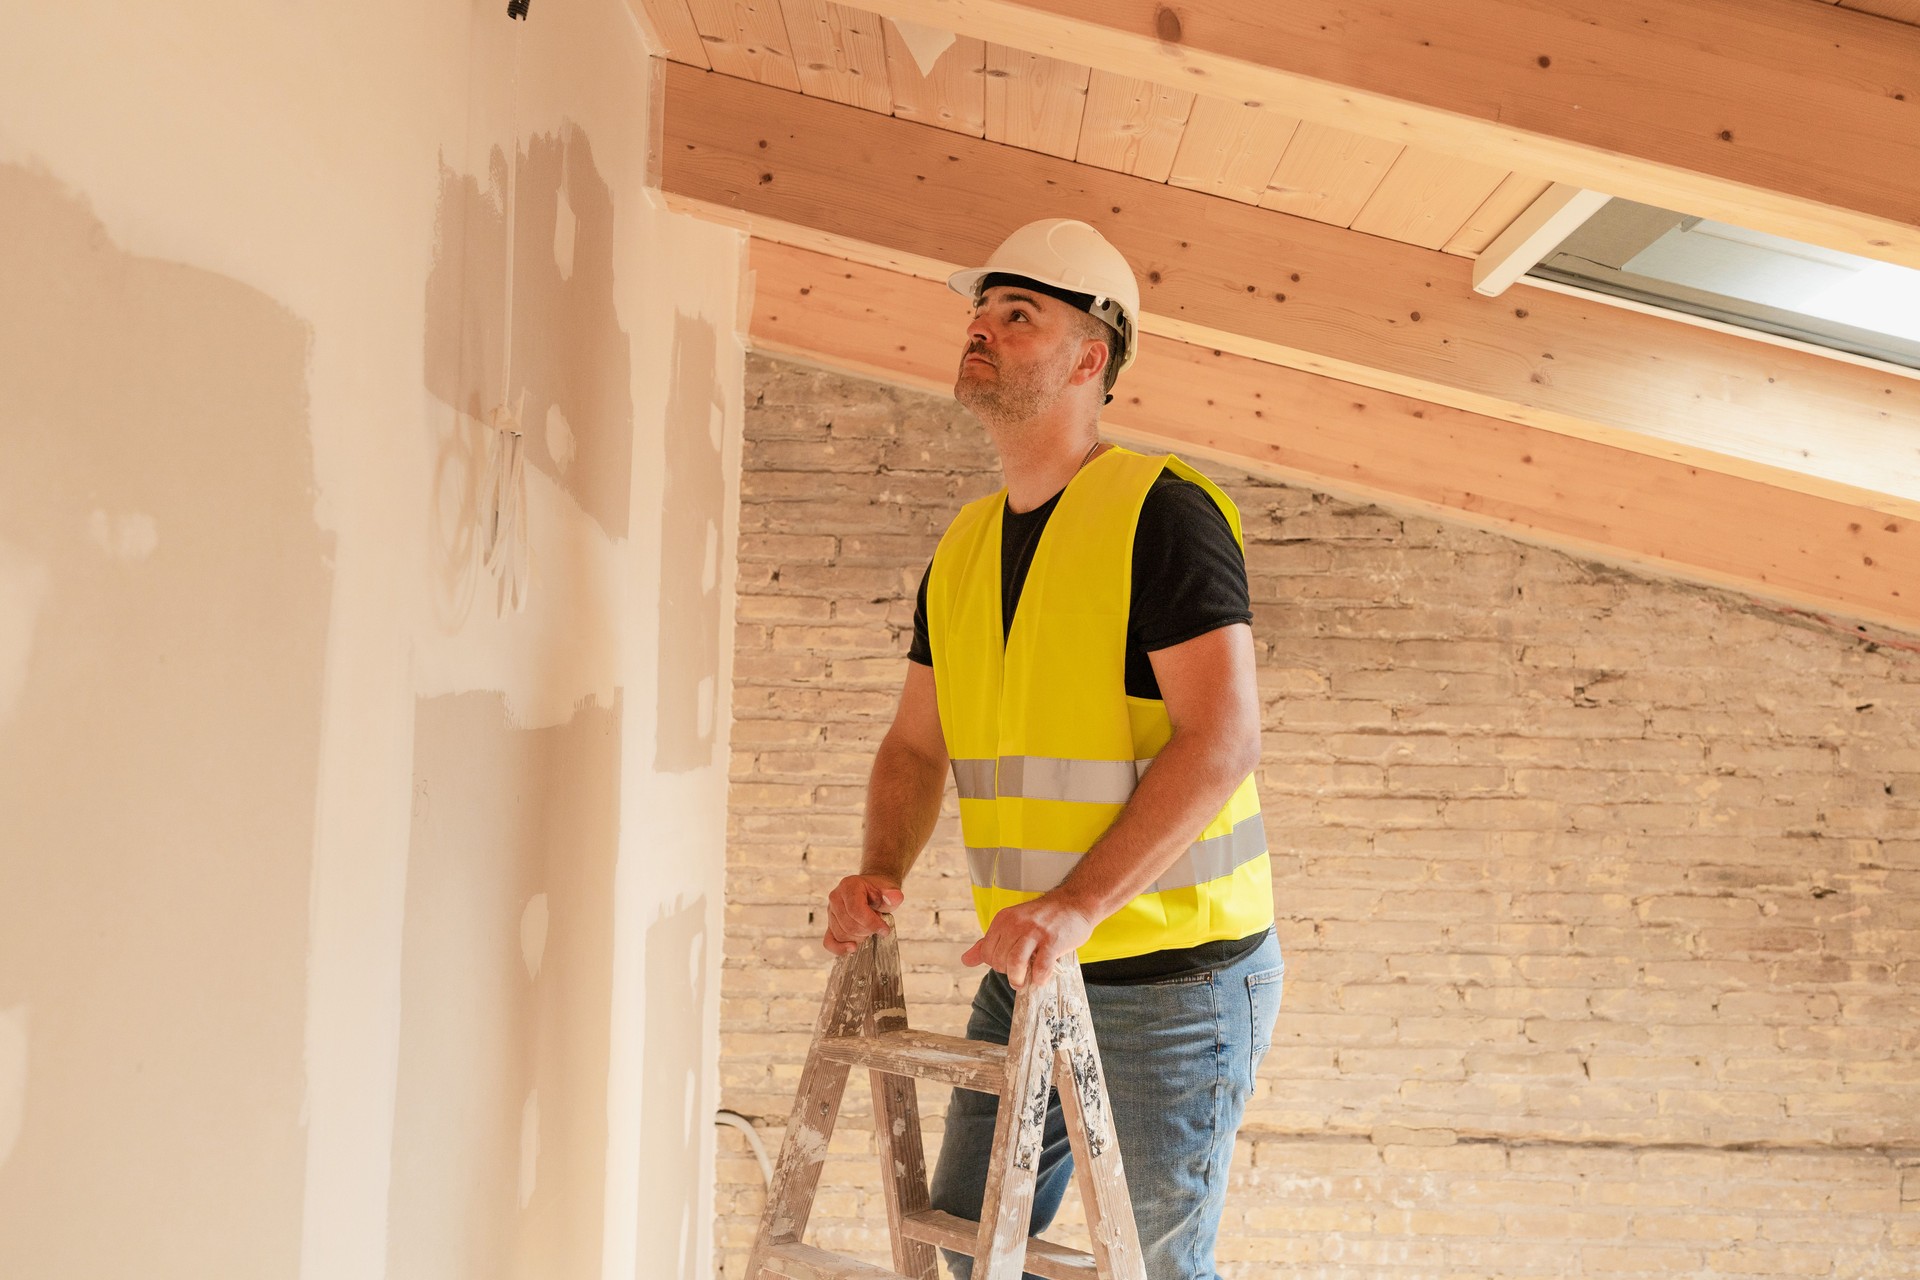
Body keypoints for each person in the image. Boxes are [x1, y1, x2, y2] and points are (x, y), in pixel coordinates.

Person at [820, 218, 1283, 1280]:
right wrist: (881, 870)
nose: (981, 328)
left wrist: (1078, 903)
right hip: (1032, 968)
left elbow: (1224, 737)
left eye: (1016, 313)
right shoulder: (966, 546)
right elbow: (913, 745)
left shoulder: (1162, 514)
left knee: (1159, 1262)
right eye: (981, 312)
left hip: (1180, 980)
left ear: (1091, 358)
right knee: (976, 1241)